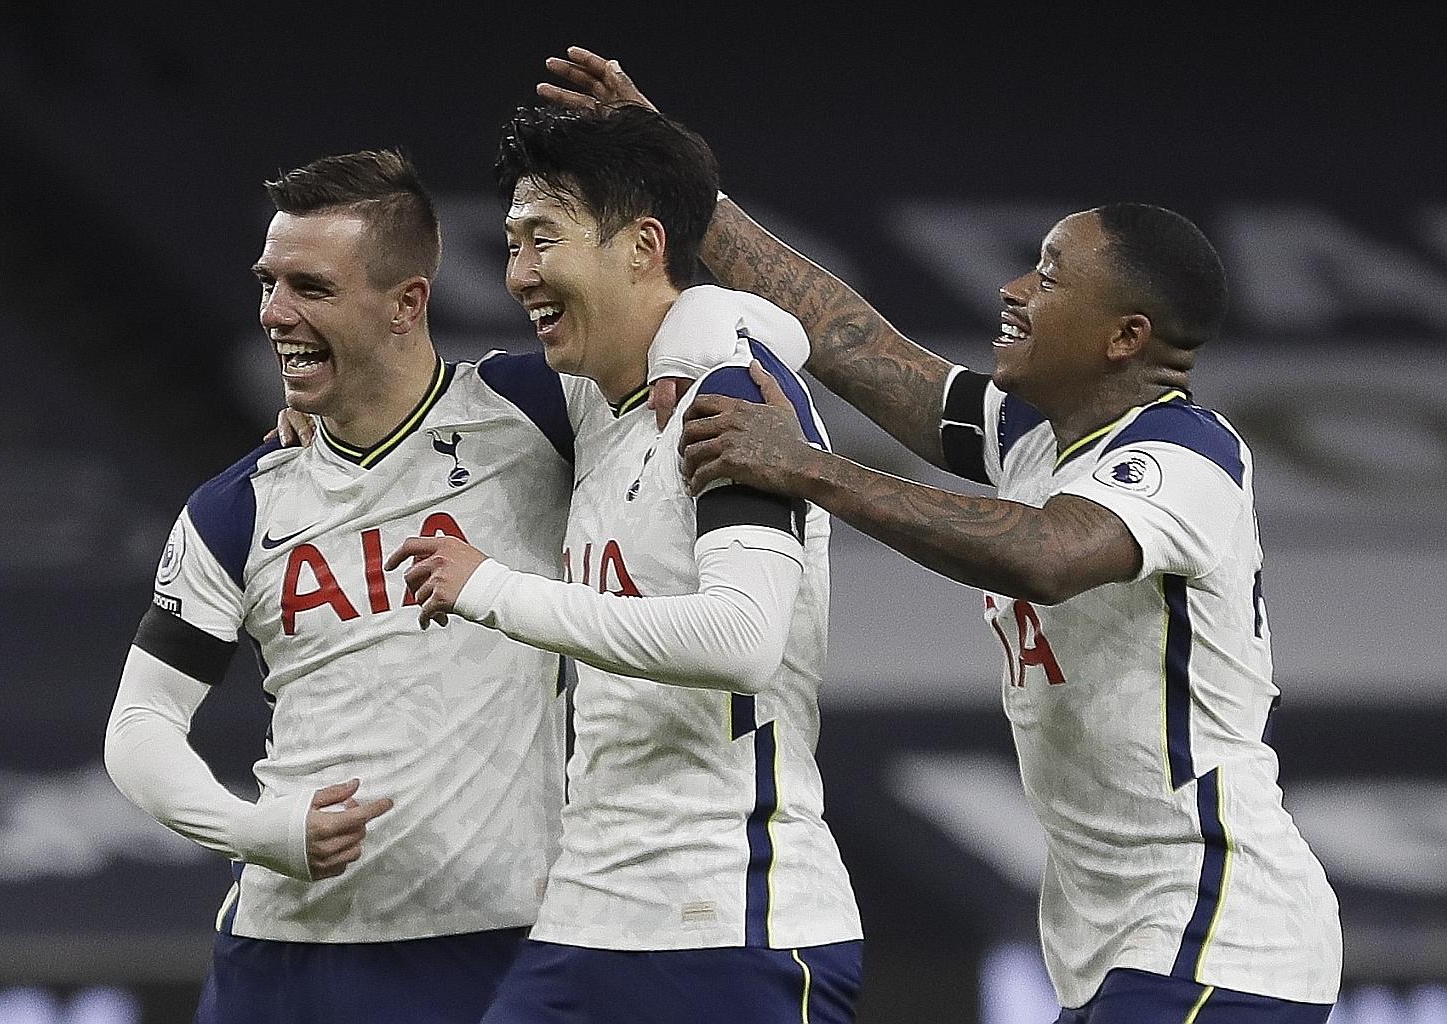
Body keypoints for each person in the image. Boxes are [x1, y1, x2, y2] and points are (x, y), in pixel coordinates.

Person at [540, 49, 1343, 1024]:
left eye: (1048, 274)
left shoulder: (1188, 454)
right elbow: (852, 344)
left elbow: (1048, 553)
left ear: (1126, 337)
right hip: (1127, 949)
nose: (1012, 287)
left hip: (1220, 932)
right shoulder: (1034, 438)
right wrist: (678, 180)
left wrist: (807, 468)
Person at [387, 103, 863, 1024]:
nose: (519, 274)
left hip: (733, 919)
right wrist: (314, 415)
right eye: (513, 242)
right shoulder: (588, 397)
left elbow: (740, 640)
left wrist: (489, 588)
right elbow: (411, 394)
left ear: (644, 246)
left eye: (544, 240)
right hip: (591, 912)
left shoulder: (735, 395)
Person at [103, 149, 587, 1024]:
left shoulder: (539, 416)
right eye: (268, 282)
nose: (275, 314)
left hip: (499, 944)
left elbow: (687, 335)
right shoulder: (238, 505)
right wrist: (258, 830)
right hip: (287, 957)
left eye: (311, 289)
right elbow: (140, 725)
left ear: (407, 303)